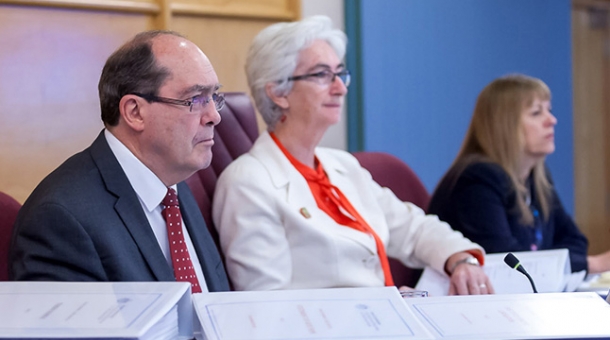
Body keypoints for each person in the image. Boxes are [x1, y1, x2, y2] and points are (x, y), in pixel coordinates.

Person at [212, 15, 493, 295]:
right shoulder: (247, 183)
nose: (341, 88)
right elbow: (268, 306)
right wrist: (386, 305)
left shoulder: (342, 165)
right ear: (278, 93)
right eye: (322, 75)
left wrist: (461, 259)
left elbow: (414, 228)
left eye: (340, 73)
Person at [9, 30, 231, 293]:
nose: (214, 116)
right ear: (135, 112)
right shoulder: (61, 219)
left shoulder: (173, 184)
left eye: (214, 97)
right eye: (195, 100)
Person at [428, 74, 610, 274]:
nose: (552, 120)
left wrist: (549, 264)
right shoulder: (476, 181)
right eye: (536, 113)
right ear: (504, 124)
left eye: (548, 110)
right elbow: (508, 261)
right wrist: (592, 264)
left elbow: (575, 240)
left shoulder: (536, 178)